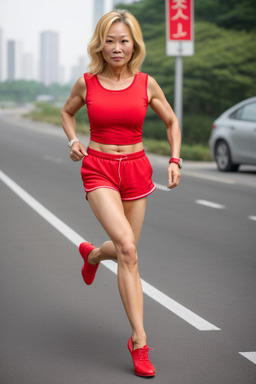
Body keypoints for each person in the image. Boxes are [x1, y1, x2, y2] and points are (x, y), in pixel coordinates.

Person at [61, 9, 181, 378]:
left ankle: (93, 255)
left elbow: (171, 121)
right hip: (98, 168)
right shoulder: (87, 83)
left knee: (124, 247)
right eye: (110, 41)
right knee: (128, 249)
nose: (116, 48)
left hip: (136, 170)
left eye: (123, 41)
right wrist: (74, 139)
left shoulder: (147, 83)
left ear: (134, 45)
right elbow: (67, 113)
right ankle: (139, 342)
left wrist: (175, 159)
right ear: (101, 44)